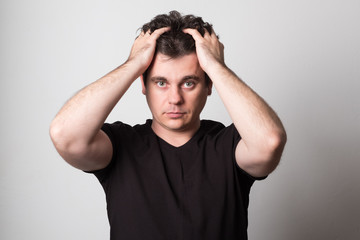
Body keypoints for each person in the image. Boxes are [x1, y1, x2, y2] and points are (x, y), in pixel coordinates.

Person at [50, 11, 286, 240]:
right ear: (143, 84)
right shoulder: (121, 145)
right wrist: (133, 64)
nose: (175, 98)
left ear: (208, 86)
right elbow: (65, 135)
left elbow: (269, 142)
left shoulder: (229, 146)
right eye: (161, 82)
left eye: (189, 83)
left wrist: (215, 66)